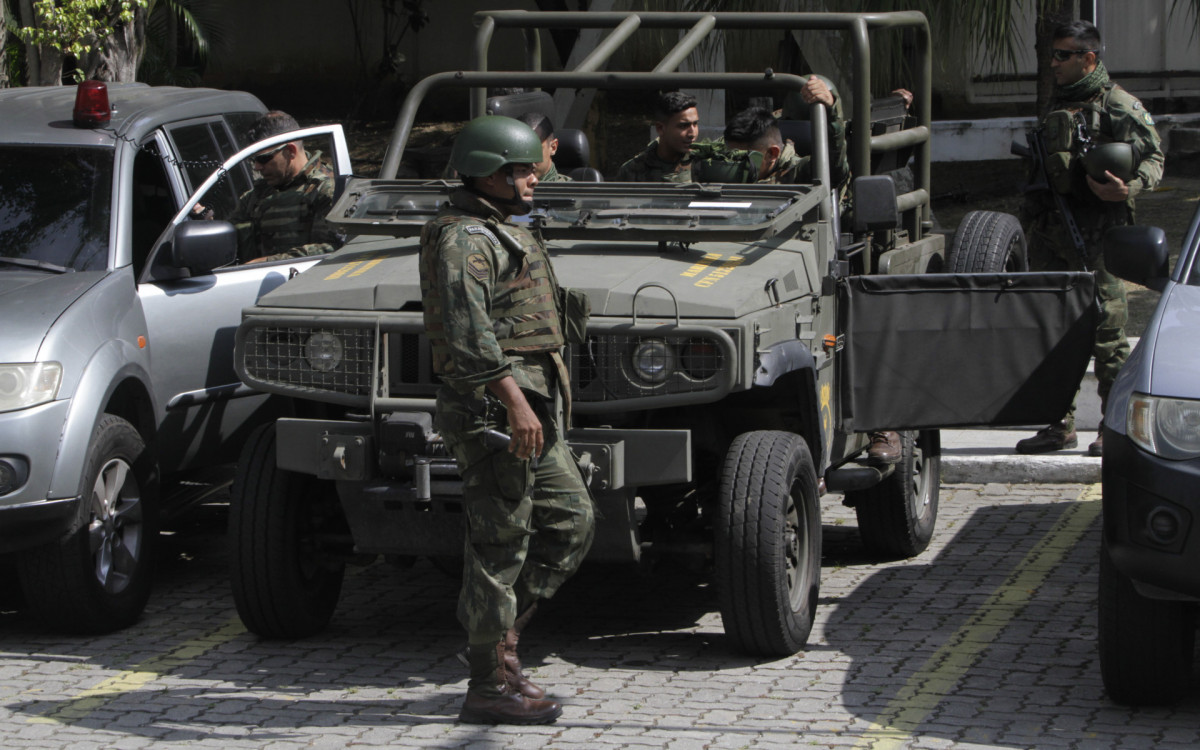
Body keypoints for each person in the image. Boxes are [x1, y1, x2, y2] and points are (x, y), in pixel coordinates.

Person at [418, 115, 595, 725]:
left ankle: (502, 645)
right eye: (518, 170)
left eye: (530, 167)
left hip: (528, 402)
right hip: (494, 407)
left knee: (572, 521)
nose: (531, 178)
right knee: (499, 544)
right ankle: (488, 682)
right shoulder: (465, 238)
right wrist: (515, 401)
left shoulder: (498, 227)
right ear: (486, 172)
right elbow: (469, 336)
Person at [1015, 20, 1164, 457]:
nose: (1054, 63)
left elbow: (1154, 157)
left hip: (1101, 235)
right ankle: (1057, 424)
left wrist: (1128, 187)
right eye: (1053, 55)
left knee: (1107, 332)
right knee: (1051, 329)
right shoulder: (1058, 102)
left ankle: (1111, 424)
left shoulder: (1118, 104)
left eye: (1063, 55)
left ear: (1089, 59)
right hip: (1052, 231)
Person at [229, 111, 343, 264]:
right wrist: (204, 217)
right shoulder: (257, 195)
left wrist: (269, 262)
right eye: (254, 159)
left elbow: (338, 248)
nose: (257, 167)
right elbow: (227, 236)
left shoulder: (329, 190)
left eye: (263, 158)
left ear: (290, 151)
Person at [615, 90, 700, 182]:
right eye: (683, 126)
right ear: (660, 128)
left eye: (695, 124)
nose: (692, 133)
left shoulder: (705, 166)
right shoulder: (632, 171)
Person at [517, 112, 573, 183]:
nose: (528, 160)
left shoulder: (569, 190)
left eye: (535, 150)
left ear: (553, 147)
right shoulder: (505, 188)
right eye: (521, 151)